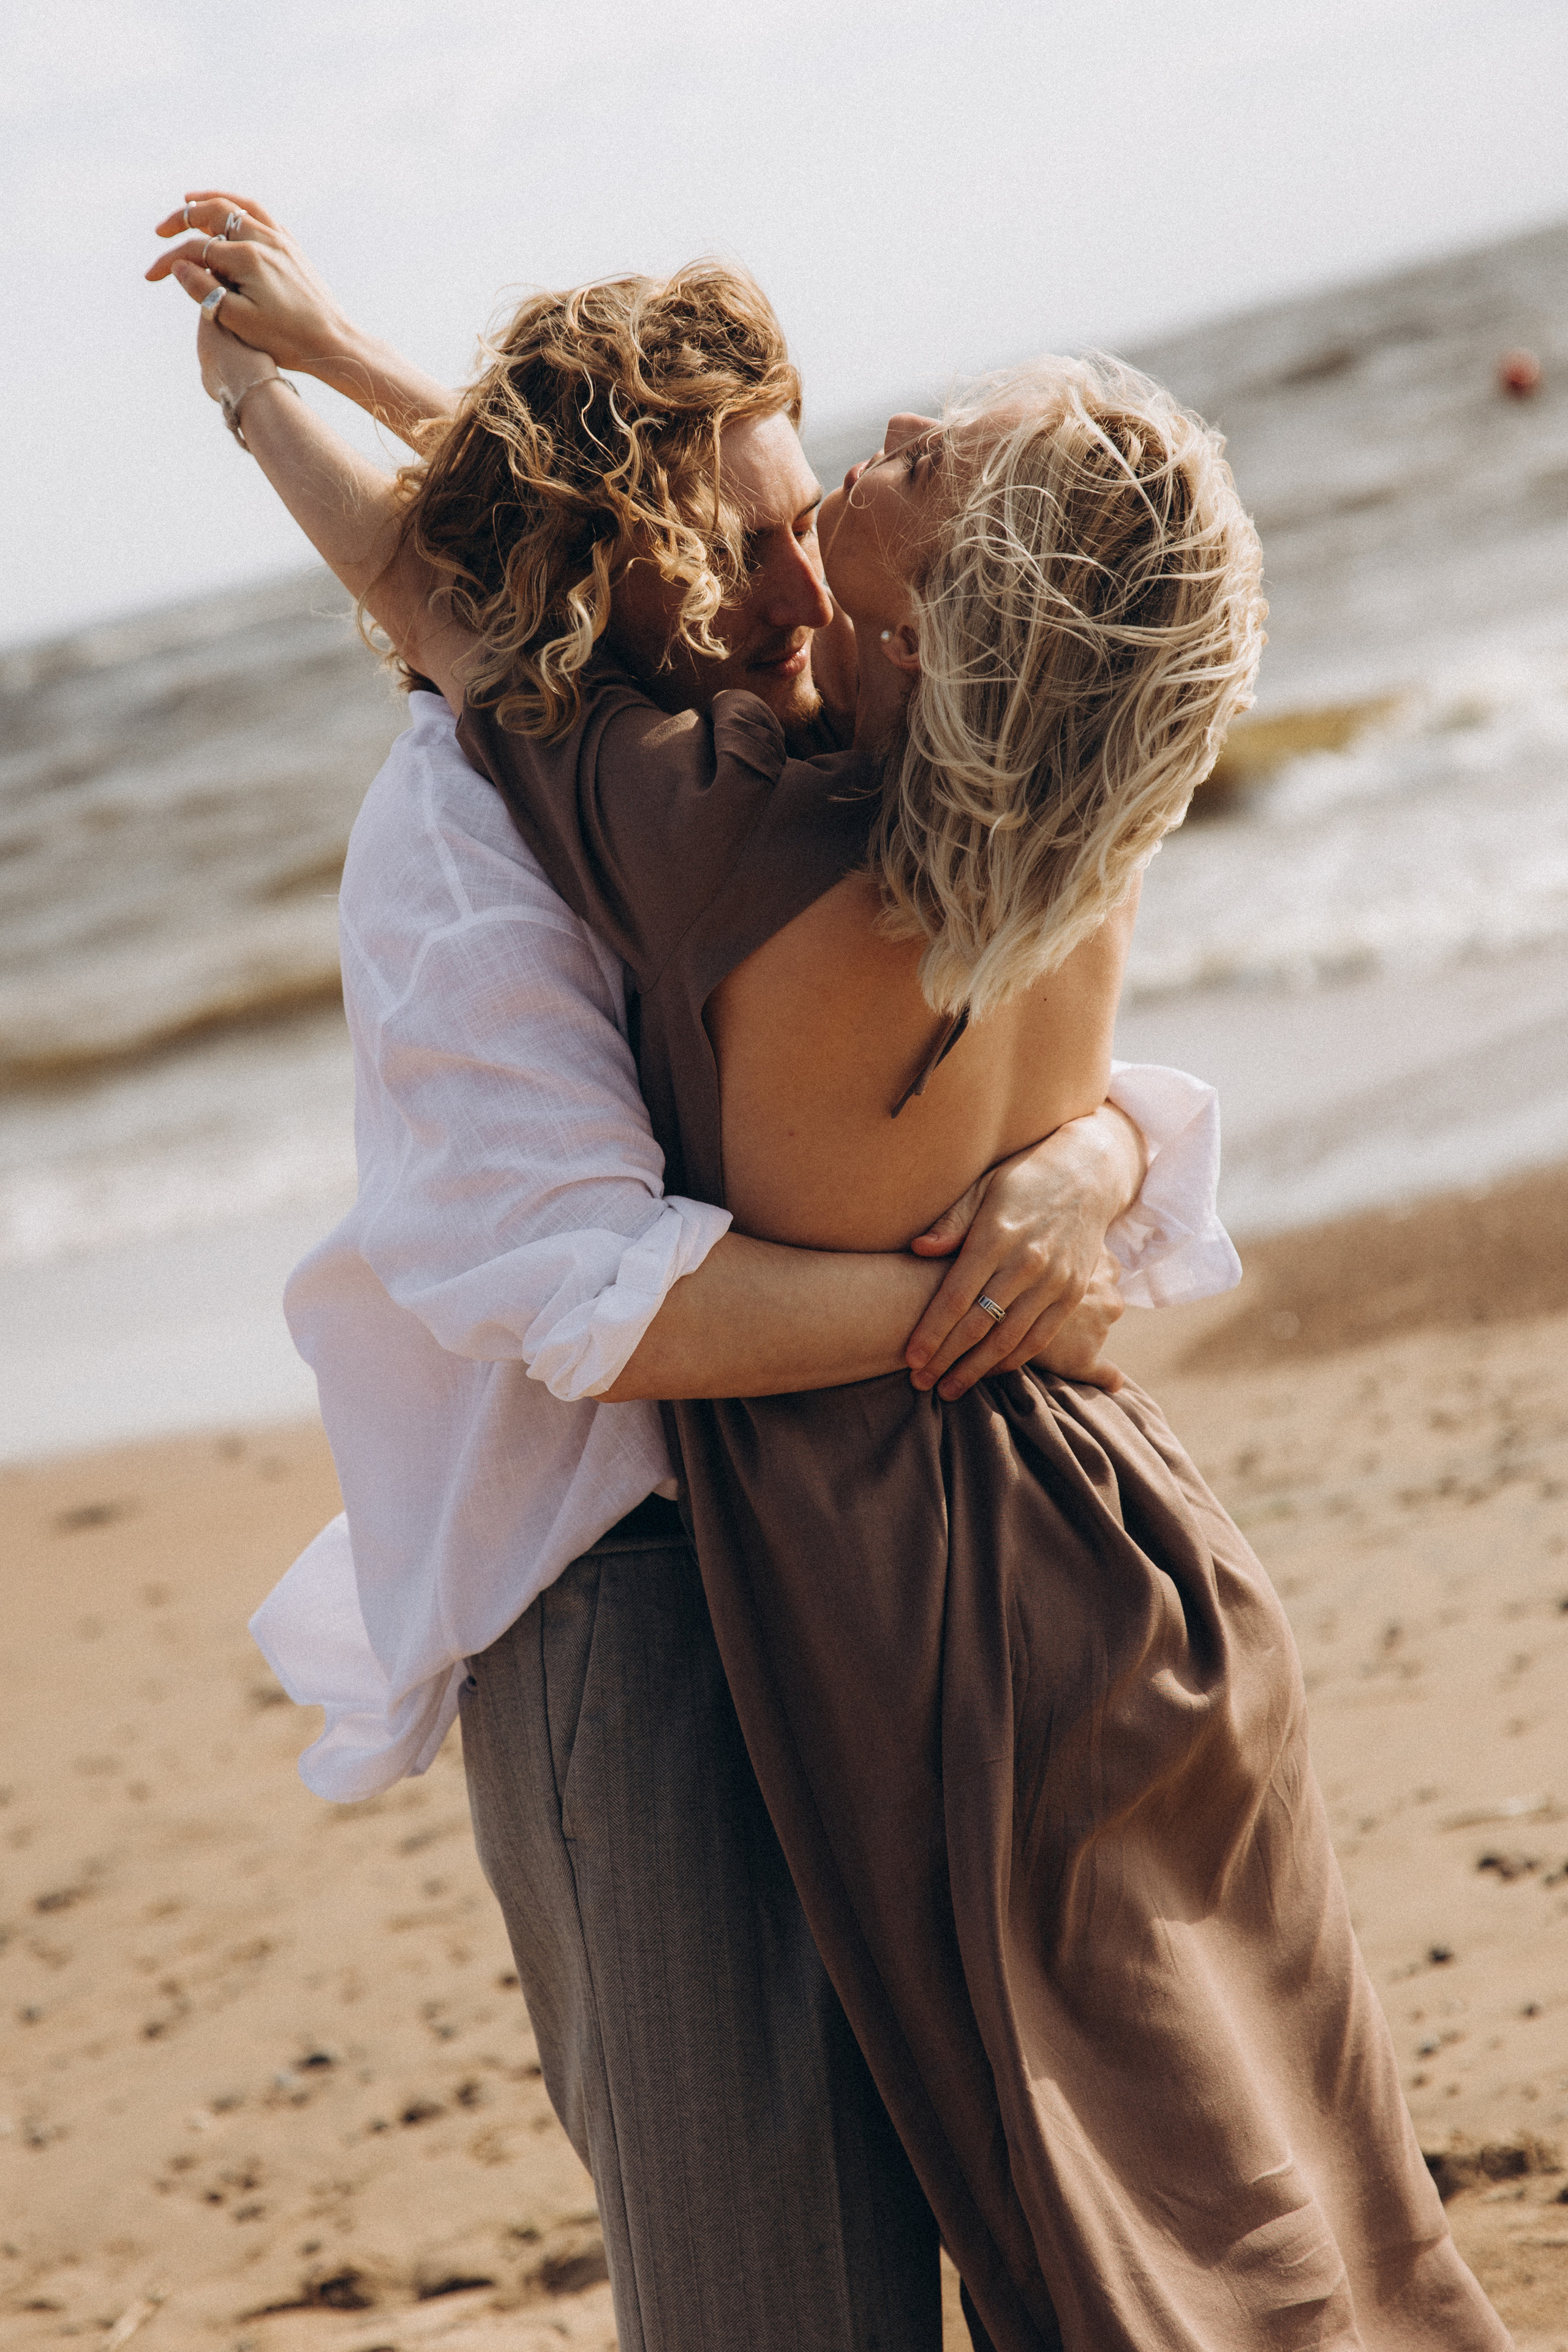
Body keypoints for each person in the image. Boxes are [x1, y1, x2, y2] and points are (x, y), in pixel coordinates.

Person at [155, 206, 1506, 2346]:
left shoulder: (742, 828)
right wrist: (1024, 1232)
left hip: (913, 1594)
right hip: (1121, 1539)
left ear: (968, 593)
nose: (837, 497)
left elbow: (479, 595)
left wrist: (267, 393)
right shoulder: (1056, 842)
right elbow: (564, 572)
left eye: (907, 469)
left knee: (1080, 2261)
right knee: (1256, 2210)